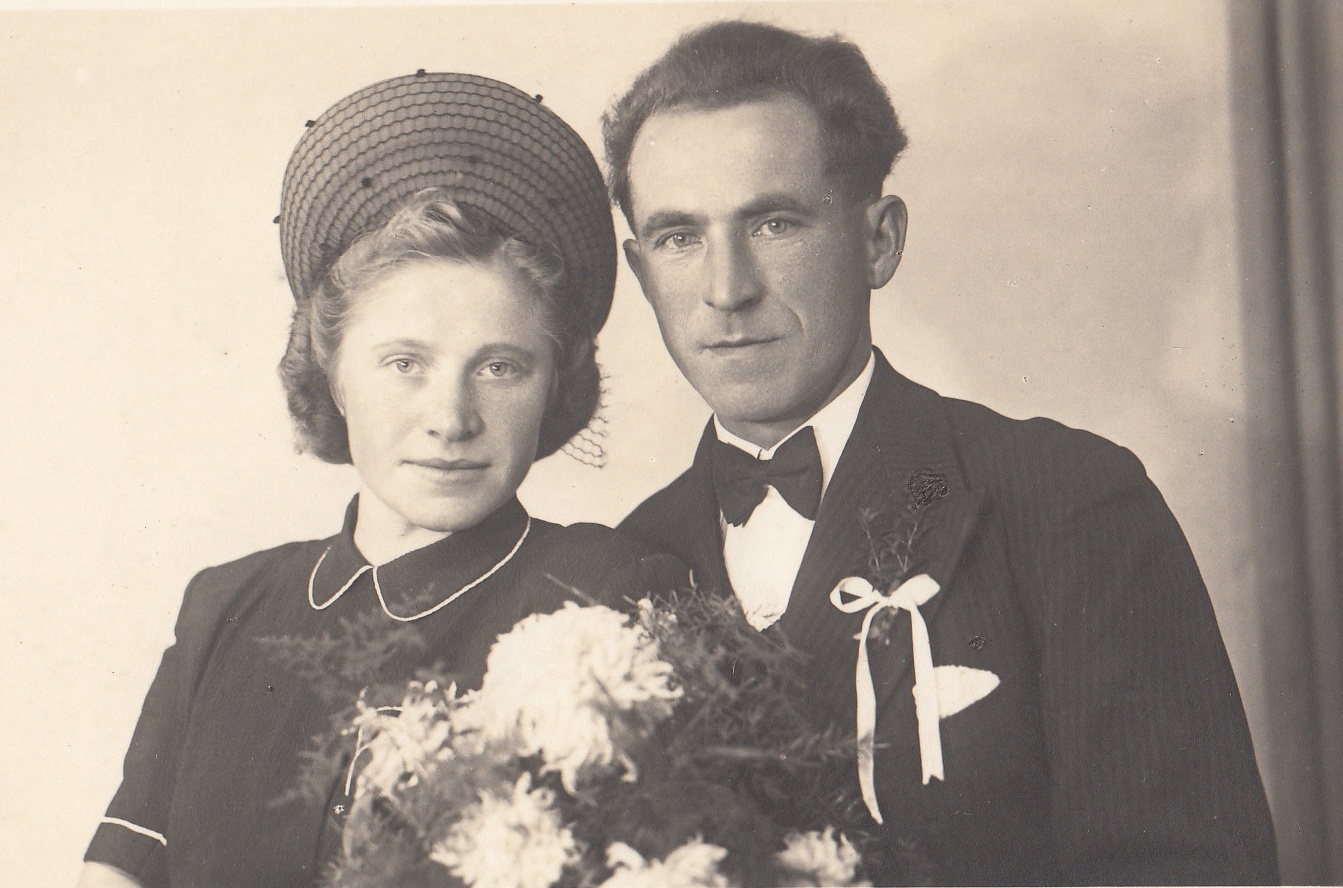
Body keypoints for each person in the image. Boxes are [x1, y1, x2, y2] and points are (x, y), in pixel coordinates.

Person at [607, 21, 1279, 886]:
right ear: (640, 272)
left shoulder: (1061, 498)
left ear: (878, 240)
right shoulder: (628, 563)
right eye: (678, 237)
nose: (725, 289)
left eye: (773, 223)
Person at [78, 72, 677, 888]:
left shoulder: (610, 591)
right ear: (331, 374)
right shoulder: (225, 605)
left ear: (553, 385)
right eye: (404, 363)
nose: (451, 418)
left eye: (500, 367)